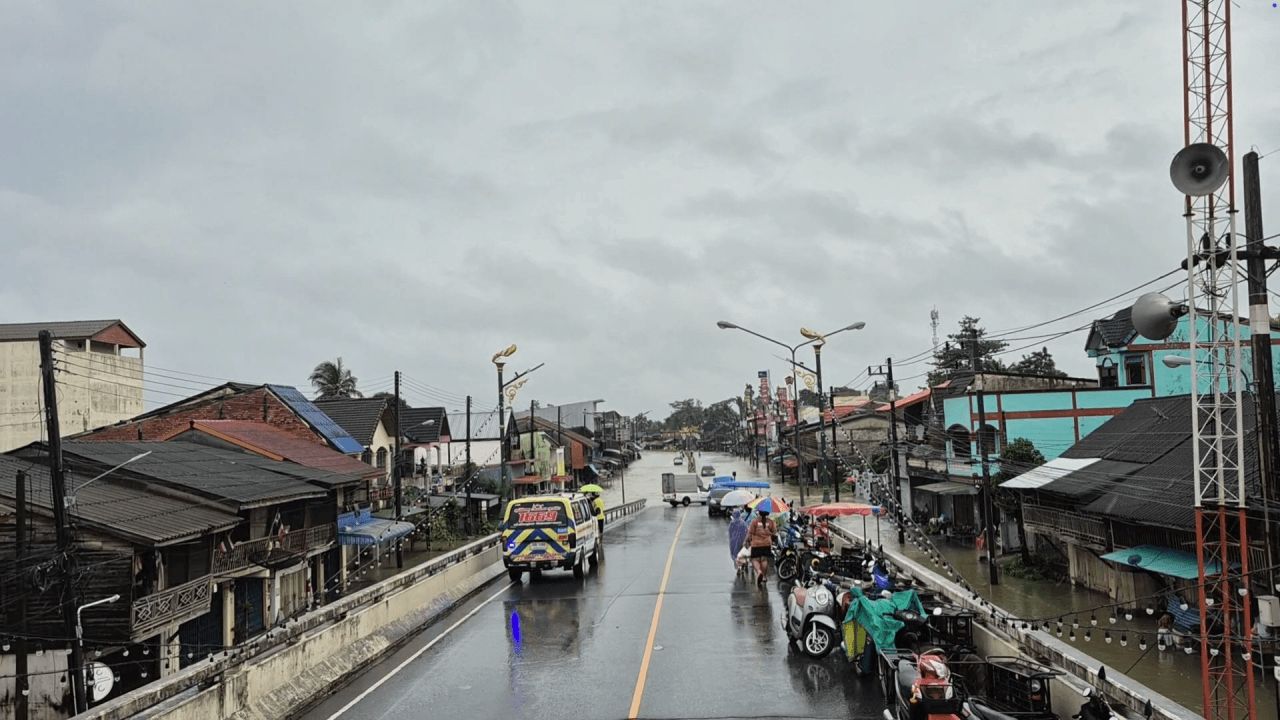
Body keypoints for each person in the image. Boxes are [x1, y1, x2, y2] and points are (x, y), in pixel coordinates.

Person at [747, 509, 778, 587]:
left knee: (755, 559)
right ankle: (764, 576)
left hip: (756, 544)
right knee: (764, 560)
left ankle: (759, 571)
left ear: (759, 512)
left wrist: (748, 540)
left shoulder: (754, 521)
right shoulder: (771, 522)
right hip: (767, 544)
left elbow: (750, 532)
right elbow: (774, 532)